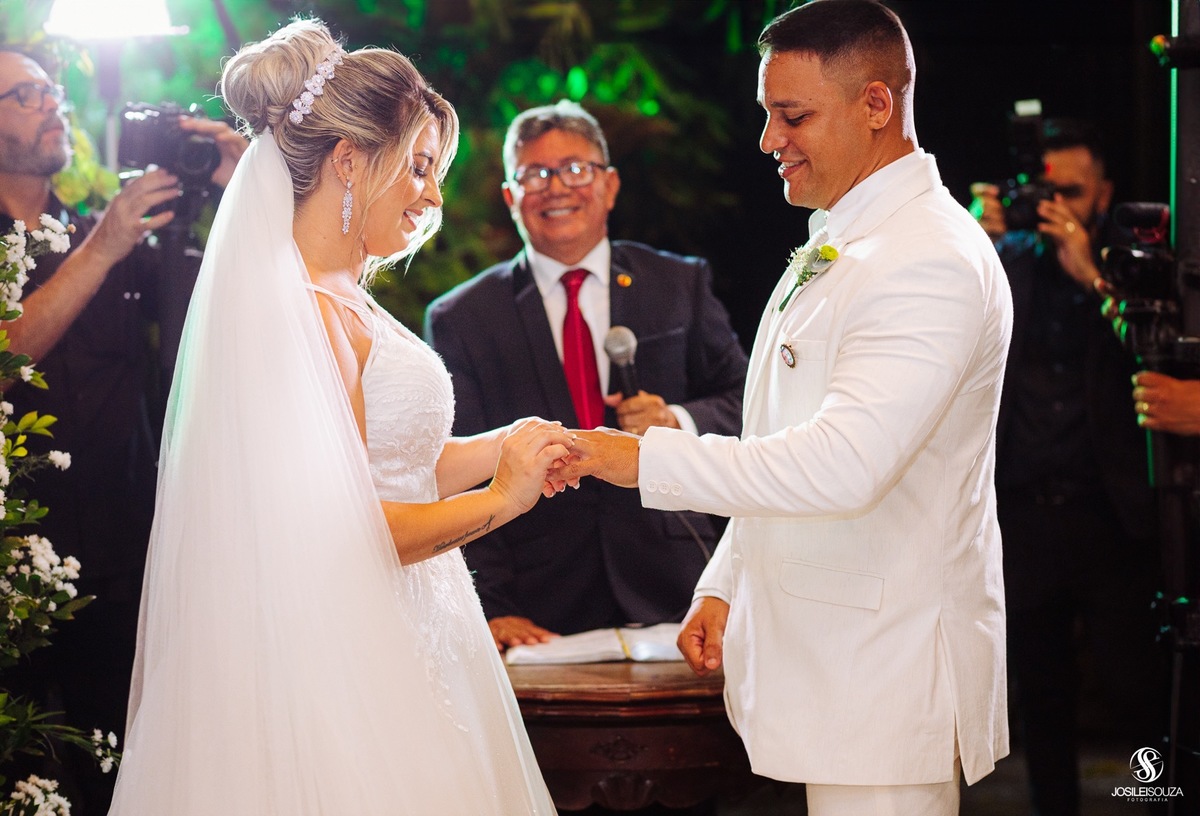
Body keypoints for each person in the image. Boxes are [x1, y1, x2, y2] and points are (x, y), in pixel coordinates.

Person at [555, 1, 1012, 813]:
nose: (769, 139)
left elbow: (843, 465)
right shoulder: (851, 233)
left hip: (885, 676)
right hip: (830, 669)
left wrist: (642, 460)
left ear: (877, 104)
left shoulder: (928, 258)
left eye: (792, 115)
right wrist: (726, 578)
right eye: (769, 114)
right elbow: (780, 436)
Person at [106, 19, 568, 813]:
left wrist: (508, 445)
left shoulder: (347, 302)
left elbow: (389, 460)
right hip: (342, 652)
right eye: (420, 168)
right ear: (350, 160)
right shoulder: (306, 316)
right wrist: (504, 499)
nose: (432, 195)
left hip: (417, 625)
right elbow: (346, 529)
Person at [0, 46, 245, 814]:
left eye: (54, 91)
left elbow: (225, 319)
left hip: (124, 555)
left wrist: (246, 195)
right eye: (27, 93)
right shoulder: (102, 236)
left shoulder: (107, 229)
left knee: (129, 776)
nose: (53, 104)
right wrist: (103, 245)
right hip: (16, 562)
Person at [424, 100, 748, 651]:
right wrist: (493, 607)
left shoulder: (678, 284)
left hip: (680, 581)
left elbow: (749, 402)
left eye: (576, 169)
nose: (557, 187)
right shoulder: (463, 317)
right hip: (539, 604)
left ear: (611, 185)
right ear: (510, 197)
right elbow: (457, 472)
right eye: (535, 174)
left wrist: (676, 418)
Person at [971, 119, 1164, 816]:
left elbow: (1157, 358)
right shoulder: (1004, 261)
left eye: (1073, 193)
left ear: (1103, 194)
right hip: (1025, 512)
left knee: (1137, 688)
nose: (1058, 207)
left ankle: (1162, 801)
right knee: (1041, 695)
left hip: (1110, 515)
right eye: (1047, 192)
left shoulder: (1133, 265)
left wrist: (1093, 273)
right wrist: (976, 237)